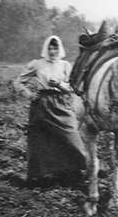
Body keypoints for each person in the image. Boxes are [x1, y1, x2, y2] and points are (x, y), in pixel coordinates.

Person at [14, 35, 88, 187]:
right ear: (45, 49)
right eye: (50, 47)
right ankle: (40, 176)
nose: (52, 51)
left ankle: (78, 169)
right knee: (42, 140)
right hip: (42, 104)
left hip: (61, 103)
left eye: (55, 48)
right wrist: (29, 94)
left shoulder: (65, 65)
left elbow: (71, 87)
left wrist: (60, 84)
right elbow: (18, 82)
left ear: (60, 49)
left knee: (71, 134)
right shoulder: (37, 64)